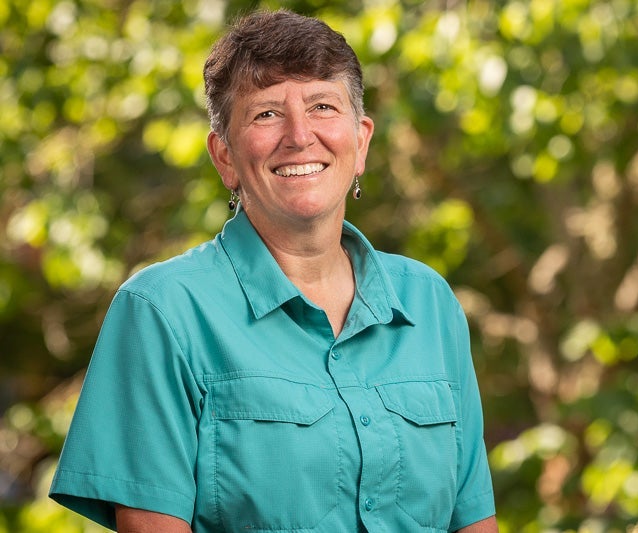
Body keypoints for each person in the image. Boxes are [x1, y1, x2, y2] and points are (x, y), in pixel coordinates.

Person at [49, 9, 497, 533]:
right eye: (265, 114)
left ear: (362, 142)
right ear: (225, 158)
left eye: (323, 106)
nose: (300, 135)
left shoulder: (430, 303)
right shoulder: (163, 311)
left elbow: (473, 522)